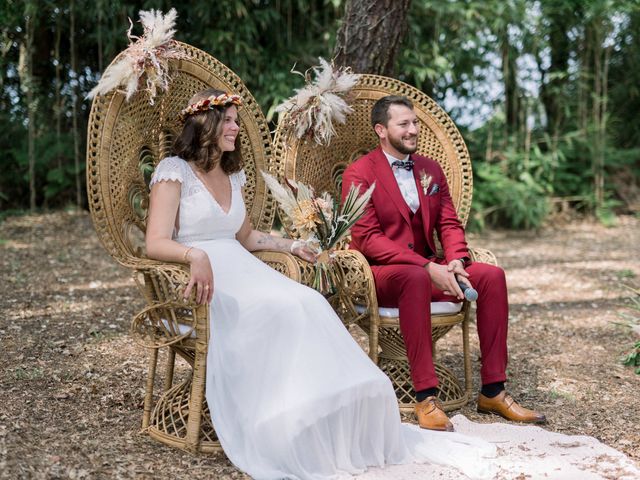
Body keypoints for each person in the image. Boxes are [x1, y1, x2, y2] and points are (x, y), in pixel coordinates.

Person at [142, 88, 640, 480]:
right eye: (229, 123)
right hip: (221, 270)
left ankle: (489, 389)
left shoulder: (238, 177)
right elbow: (155, 242)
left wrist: (294, 246)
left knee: (321, 302)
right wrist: (195, 254)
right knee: (304, 305)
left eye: (416, 124)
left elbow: (247, 235)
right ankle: (381, 402)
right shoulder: (177, 172)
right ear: (208, 125)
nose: (236, 130)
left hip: (254, 264)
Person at [341, 95, 546, 433]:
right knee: (415, 278)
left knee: (492, 276)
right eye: (403, 124)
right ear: (381, 130)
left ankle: (493, 391)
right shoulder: (359, 173)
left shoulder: (430, 170)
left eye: (415, 123)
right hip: (383, 274)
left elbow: (449, 224)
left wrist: (456, 262)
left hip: (431, 268)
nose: (413, 130)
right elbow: (369, 239)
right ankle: (426, 397)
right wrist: (426, 266)